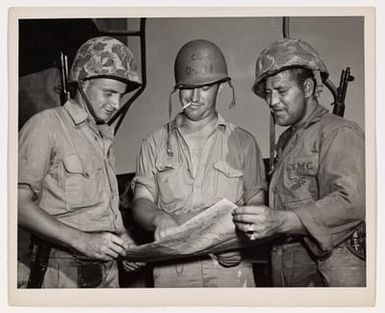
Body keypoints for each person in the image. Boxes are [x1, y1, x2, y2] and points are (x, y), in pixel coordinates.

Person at [131, 39, 267, 287]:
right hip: (173, 270)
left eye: (204, 88)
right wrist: (160, 219)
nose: (194, 97)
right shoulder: (154, 143)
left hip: (231, 269)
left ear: (221, 88)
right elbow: (141, 201)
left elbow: (256, 205)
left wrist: (240, 241)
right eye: (186, 88)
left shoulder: (244, 142)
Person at [233, 38, 366, 287]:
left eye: (281, 91)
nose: (272, 102)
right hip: (289, 271)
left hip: (331, 274)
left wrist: (280, 221)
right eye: (268, 93)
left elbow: (351, 202)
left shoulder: (339, 133)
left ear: (306, 89)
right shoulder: (288, 141)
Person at [18, 36, 144, 288]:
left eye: (120, 96)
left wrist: (124, 239)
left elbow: (100, 210)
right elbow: (15, 205)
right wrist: (83, 241)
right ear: (83, 83)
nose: (115, 105)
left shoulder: (102, 135)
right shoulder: (46, 126)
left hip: (107, 271)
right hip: (61, 272)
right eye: (108, 93)